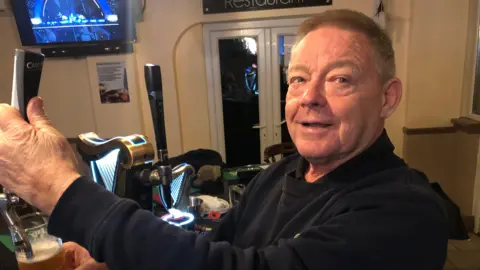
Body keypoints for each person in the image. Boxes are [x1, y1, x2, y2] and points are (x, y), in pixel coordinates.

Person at [0, 9, 448, 270]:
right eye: (297, 79)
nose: (310, 98)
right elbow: (214, 248)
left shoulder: (404, 210)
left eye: (340, 80)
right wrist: (117, 258)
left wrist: (58, 189)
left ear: (388, 98)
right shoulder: (276, 176)